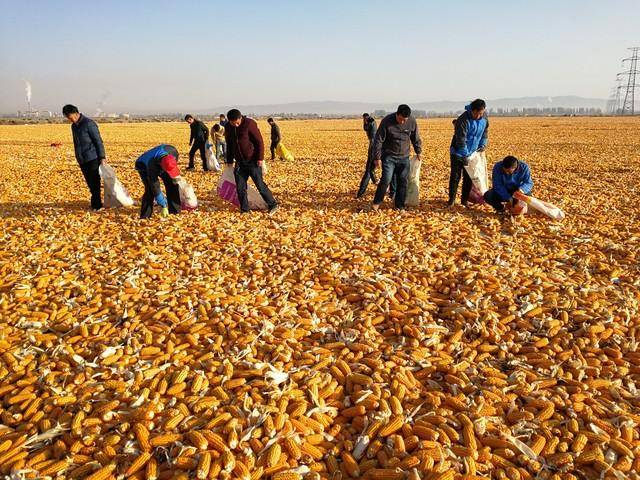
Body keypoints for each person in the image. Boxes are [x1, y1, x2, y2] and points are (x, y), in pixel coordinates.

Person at [224, 109, 279, 214]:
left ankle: (273, 204)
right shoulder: (228, 127)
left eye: (237, 122)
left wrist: (260, 158)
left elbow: (259, 141)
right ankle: (244, 209)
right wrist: (229, 160)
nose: (235, 125)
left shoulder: (249, 123)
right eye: (232, 123)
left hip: (252, 161)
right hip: (239, 162)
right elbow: (229, 144)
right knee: (240, 188)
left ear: (240, 118)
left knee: (260, 185)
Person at [372, 105, 422, 210]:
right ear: (397, 114)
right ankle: (376, 202)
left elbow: (415, 137)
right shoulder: (387, 121)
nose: (402, 122)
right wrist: (377, 157)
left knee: (403, 181)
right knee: (386, 179)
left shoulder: (412, 121)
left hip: (404, 157)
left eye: (405, 120)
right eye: (400, 119)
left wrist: (418, 151)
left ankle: (399, 205)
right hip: (389, 157)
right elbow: (378, 140)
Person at [63, 104, 106, 211]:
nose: (70, 119)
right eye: (67, 118)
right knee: (90, 182)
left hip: (92, 157)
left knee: (95, 181)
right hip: (82, 158)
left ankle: (97, 205)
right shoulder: (73, 126)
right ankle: (95, 202)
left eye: (70, 117)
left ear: (76, 113)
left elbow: (98, 141)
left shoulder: (89, 124)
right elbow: (76, 143)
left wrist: (102, 157)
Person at [449, 99, 489, 207]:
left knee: (469, 177)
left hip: (472, 153)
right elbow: (460, 139)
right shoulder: (463, 120)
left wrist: (483, 144)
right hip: (457, 152)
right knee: (456, 176)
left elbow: (485, 133)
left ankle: (464, 200)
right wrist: (464, 155)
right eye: (477, 113)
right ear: (472, 110)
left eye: (481, 113)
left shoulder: (484, 118)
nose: (479, 115)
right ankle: (451, 201)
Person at [135, 144, 183, 219]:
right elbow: (155, 186)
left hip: (162, 162)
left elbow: (172, 165)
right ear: (162, 167)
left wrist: (175, 176)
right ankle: (145, 216)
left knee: (173, 184)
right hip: (143, 165)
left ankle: (175, 212)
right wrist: (163, 205)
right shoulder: (151, 166)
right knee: (150, 190)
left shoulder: (173, 151)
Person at [356, 113, 378, 198]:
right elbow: (366, 129)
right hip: (375, 146)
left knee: (368, 171)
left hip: (374, 147)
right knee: (370, 171)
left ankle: (361, 193)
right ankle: (377, 183)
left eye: (364, 118)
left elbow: (369, 131)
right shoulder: (369, 121)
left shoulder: (371, 121)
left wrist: (366, 122)